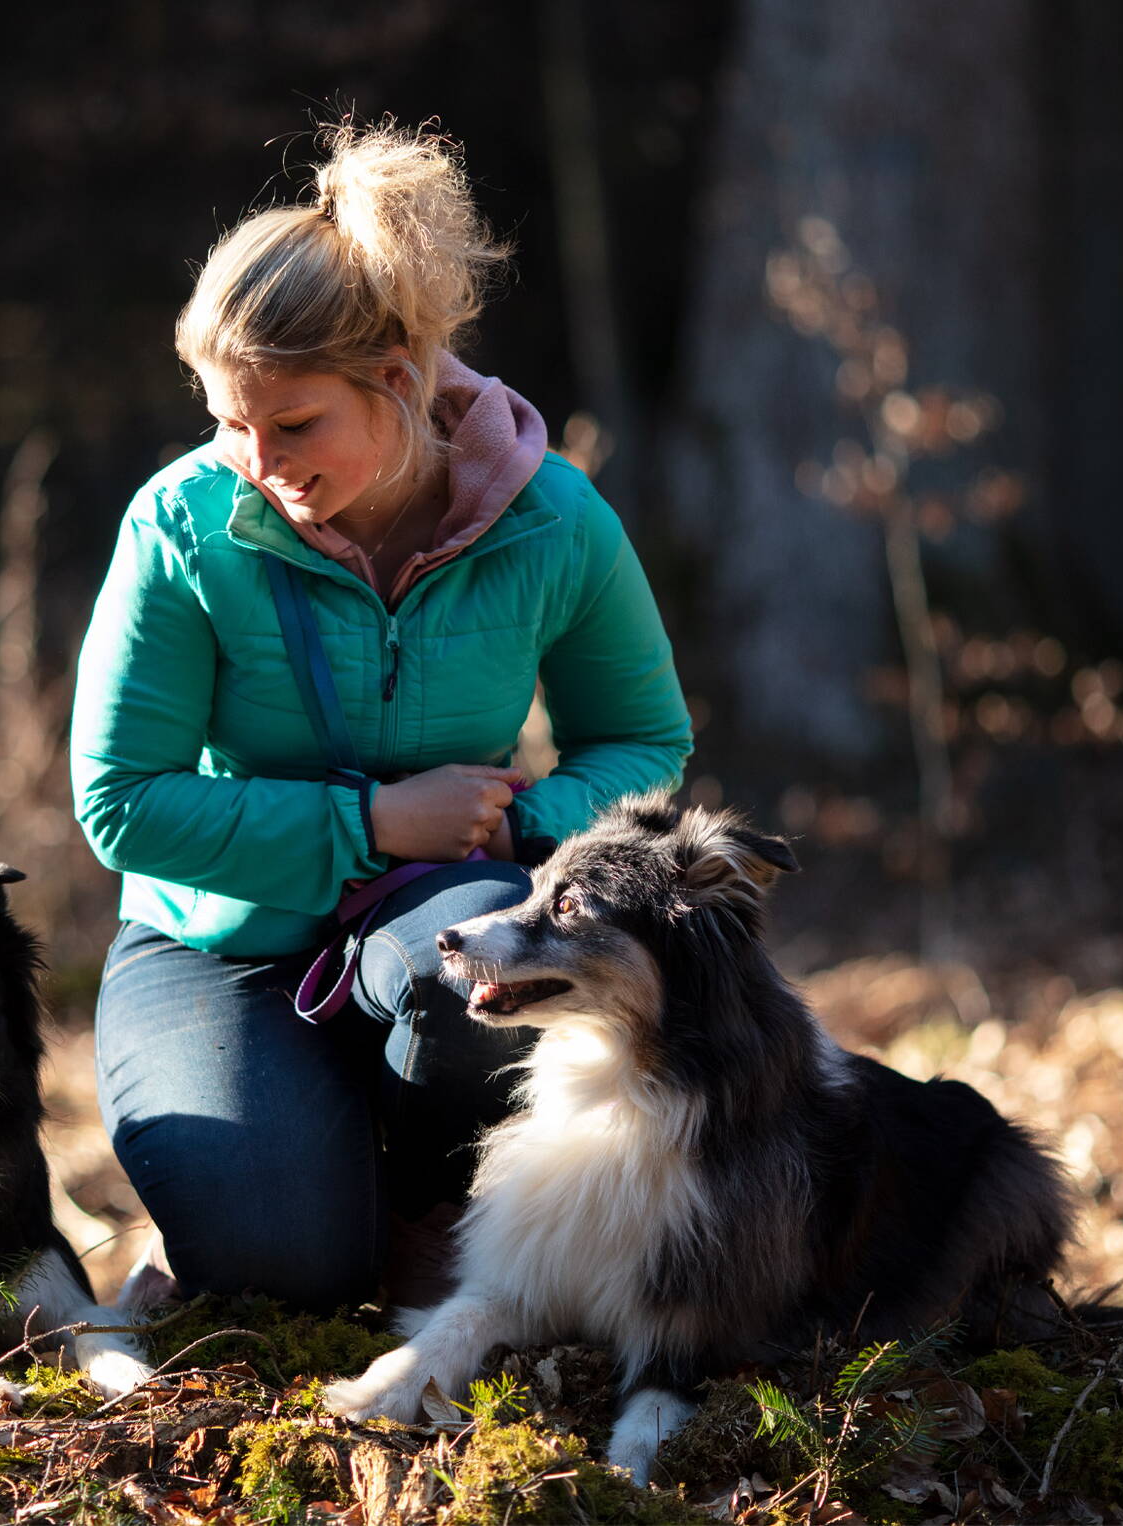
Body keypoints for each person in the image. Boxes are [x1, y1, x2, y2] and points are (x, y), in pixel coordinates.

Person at [70, 122, 691, 1310]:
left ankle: (428, 1201)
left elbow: (644, 742)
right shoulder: (179, 526)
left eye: (291, 424)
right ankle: (282, 1194)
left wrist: (515, 827)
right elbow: (120, 801)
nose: (254, 460)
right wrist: (370, 818)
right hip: (216, 944)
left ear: (396, 383)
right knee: (279, 1270)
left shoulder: (552, 521)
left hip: (446, 910)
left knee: (453, 983)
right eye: (224, 420)